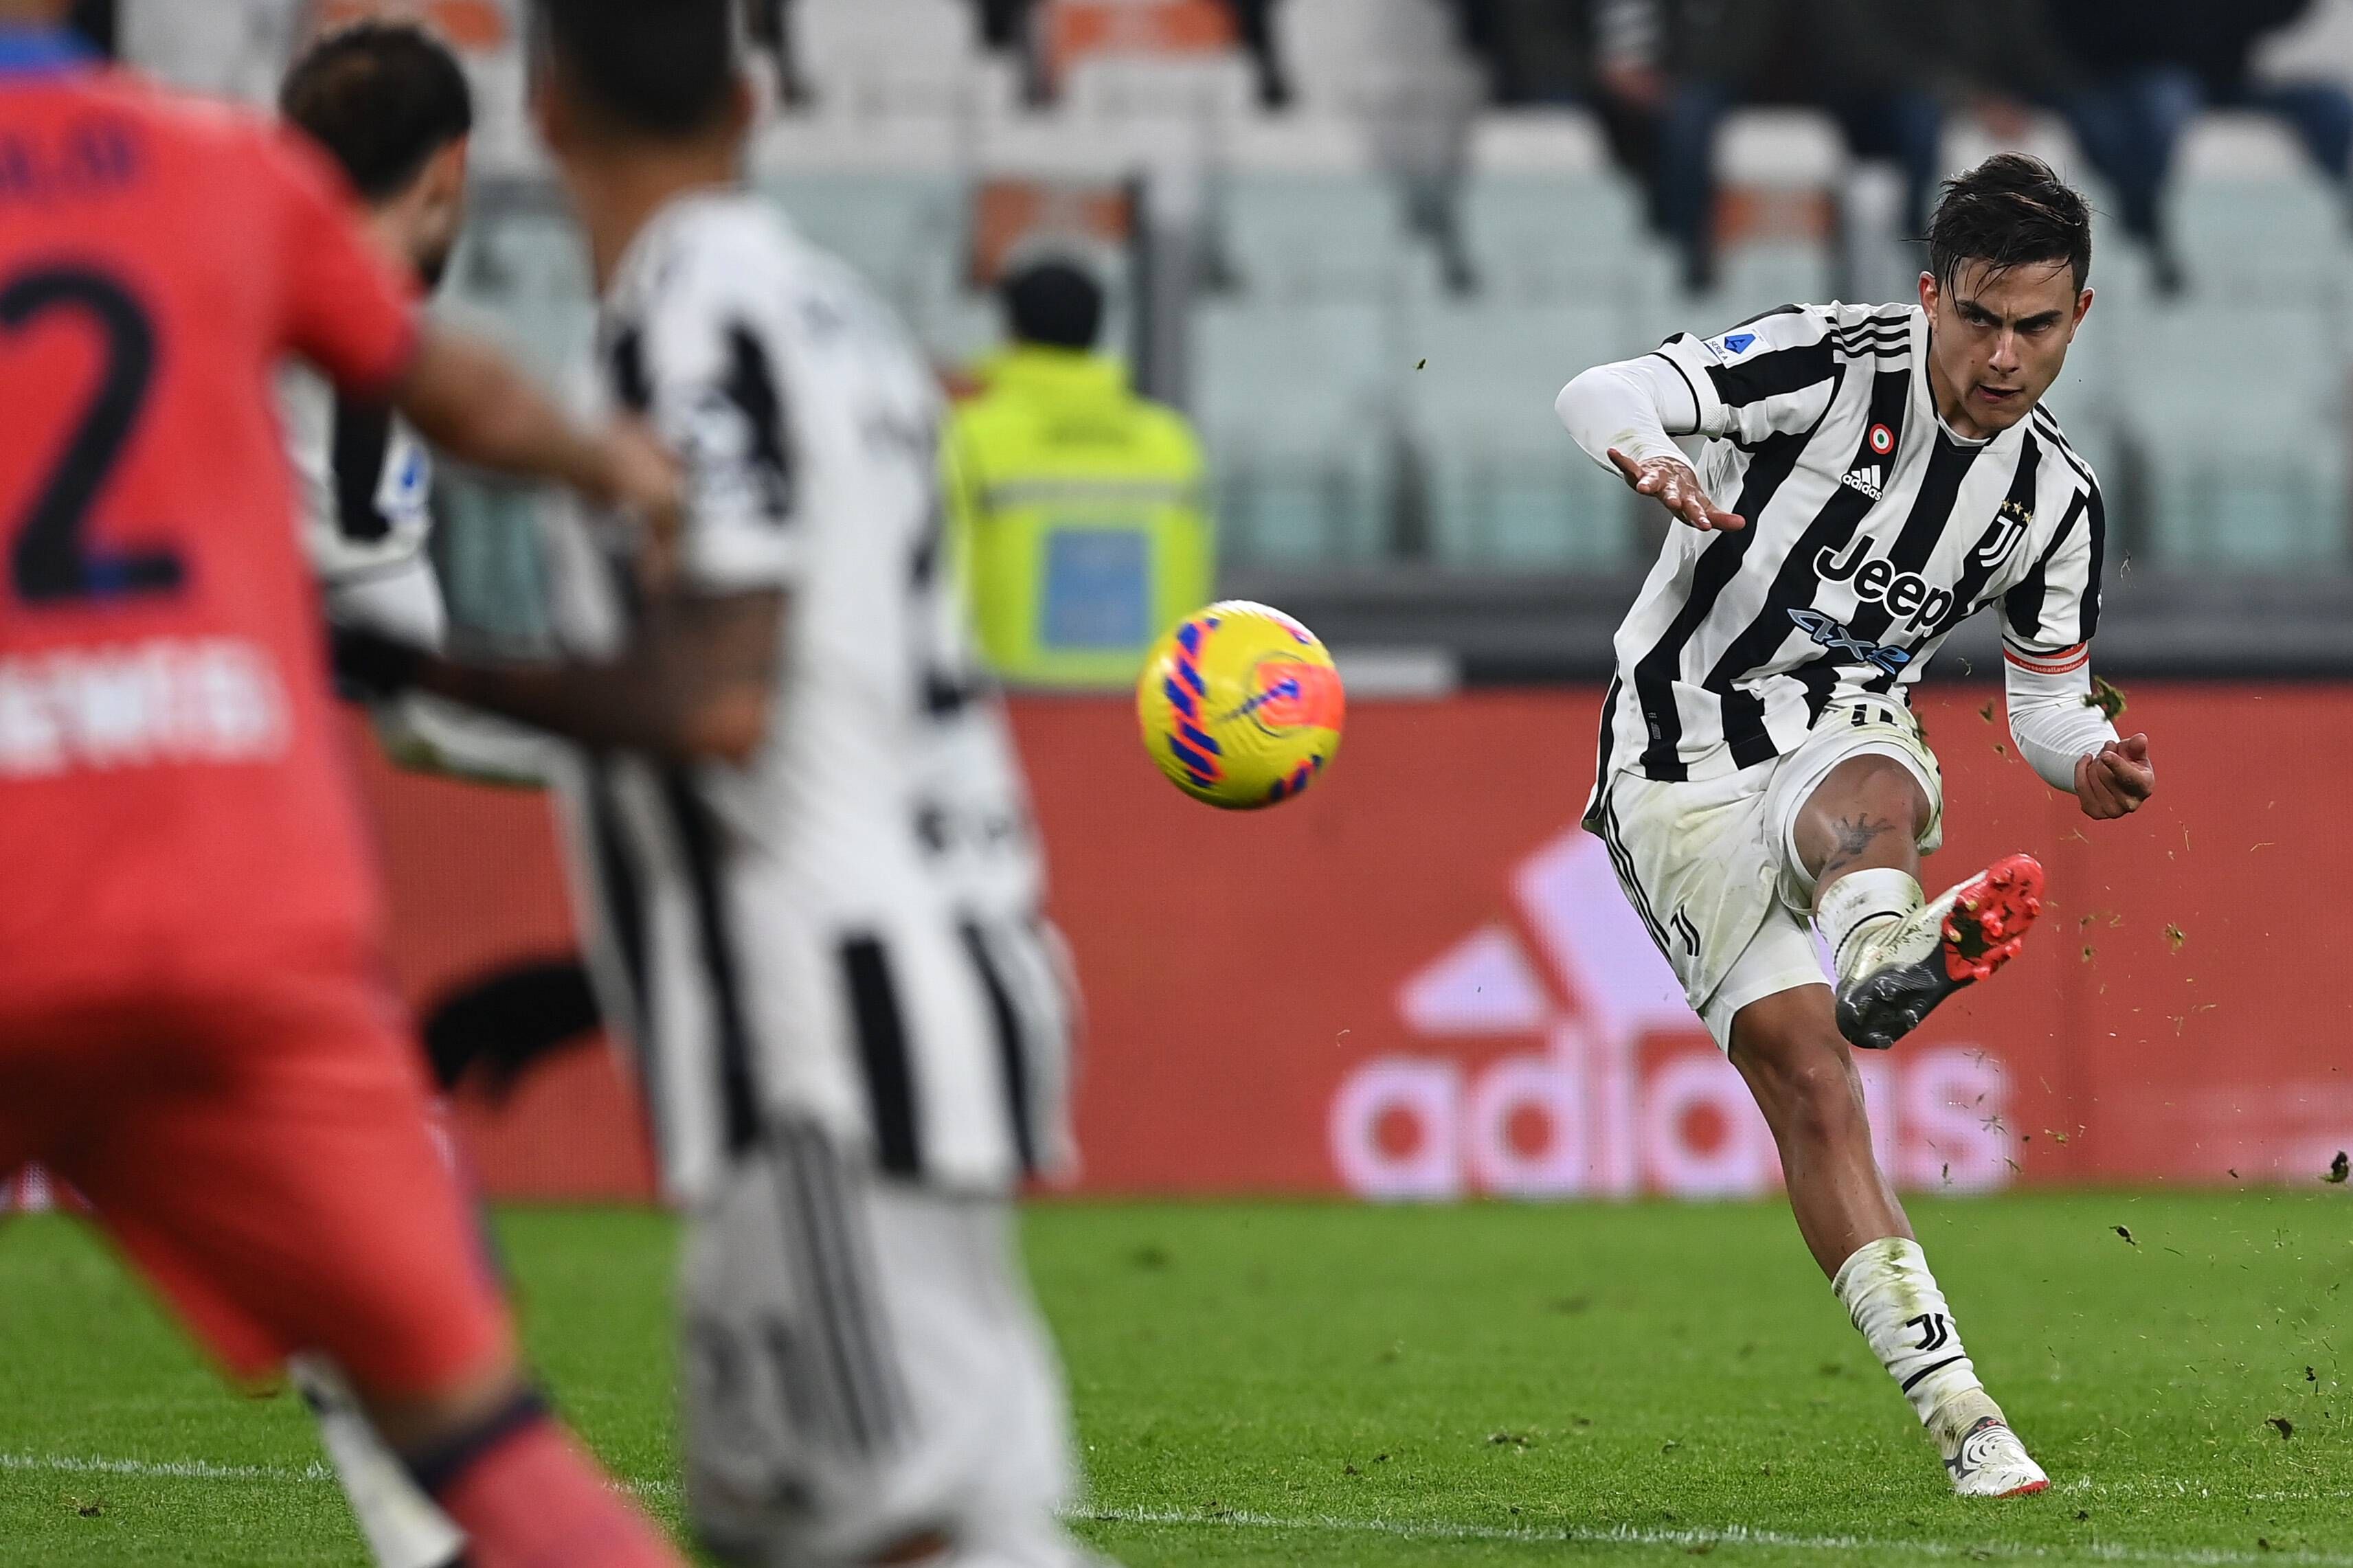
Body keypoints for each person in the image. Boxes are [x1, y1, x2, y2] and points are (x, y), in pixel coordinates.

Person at [335, 2, 1098, 1563]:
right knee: (797, 1528)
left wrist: (390, 660)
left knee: (917, 1539)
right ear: (752, 102)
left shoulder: (688, 322)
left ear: (542, 114)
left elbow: (716, 698)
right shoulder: (840, 319)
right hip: (884, 978)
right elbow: (820, 709)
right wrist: (603, 978)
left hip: (825, 1032)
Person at [0, 3, 692, 1566]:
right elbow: (460, 417)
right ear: (453, 169)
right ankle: (431, 1525)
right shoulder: (226, 184)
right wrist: (626, 477)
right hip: (222, 891)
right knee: (490, 1435)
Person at [1555, 153, 2157, 1497]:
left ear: (2080, 315)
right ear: (1928, 295)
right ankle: (1944, 1398)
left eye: (2036, 326)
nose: (2002, 356)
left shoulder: (2050, 501)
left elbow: (2046, 706)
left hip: (1837, 727)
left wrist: (2088, 761)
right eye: (1979, 320)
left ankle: (1975, 1429)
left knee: (1870, 776)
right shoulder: (1826, 362)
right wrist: (1645, 449)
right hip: (1666, 751)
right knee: (1810, 1087)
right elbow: (1599, 387)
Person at [945, 258, 1211, 690]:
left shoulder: (968, 439)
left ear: (1011, 333)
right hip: (1151, 709)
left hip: (1012, 709)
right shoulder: (1173, 444)